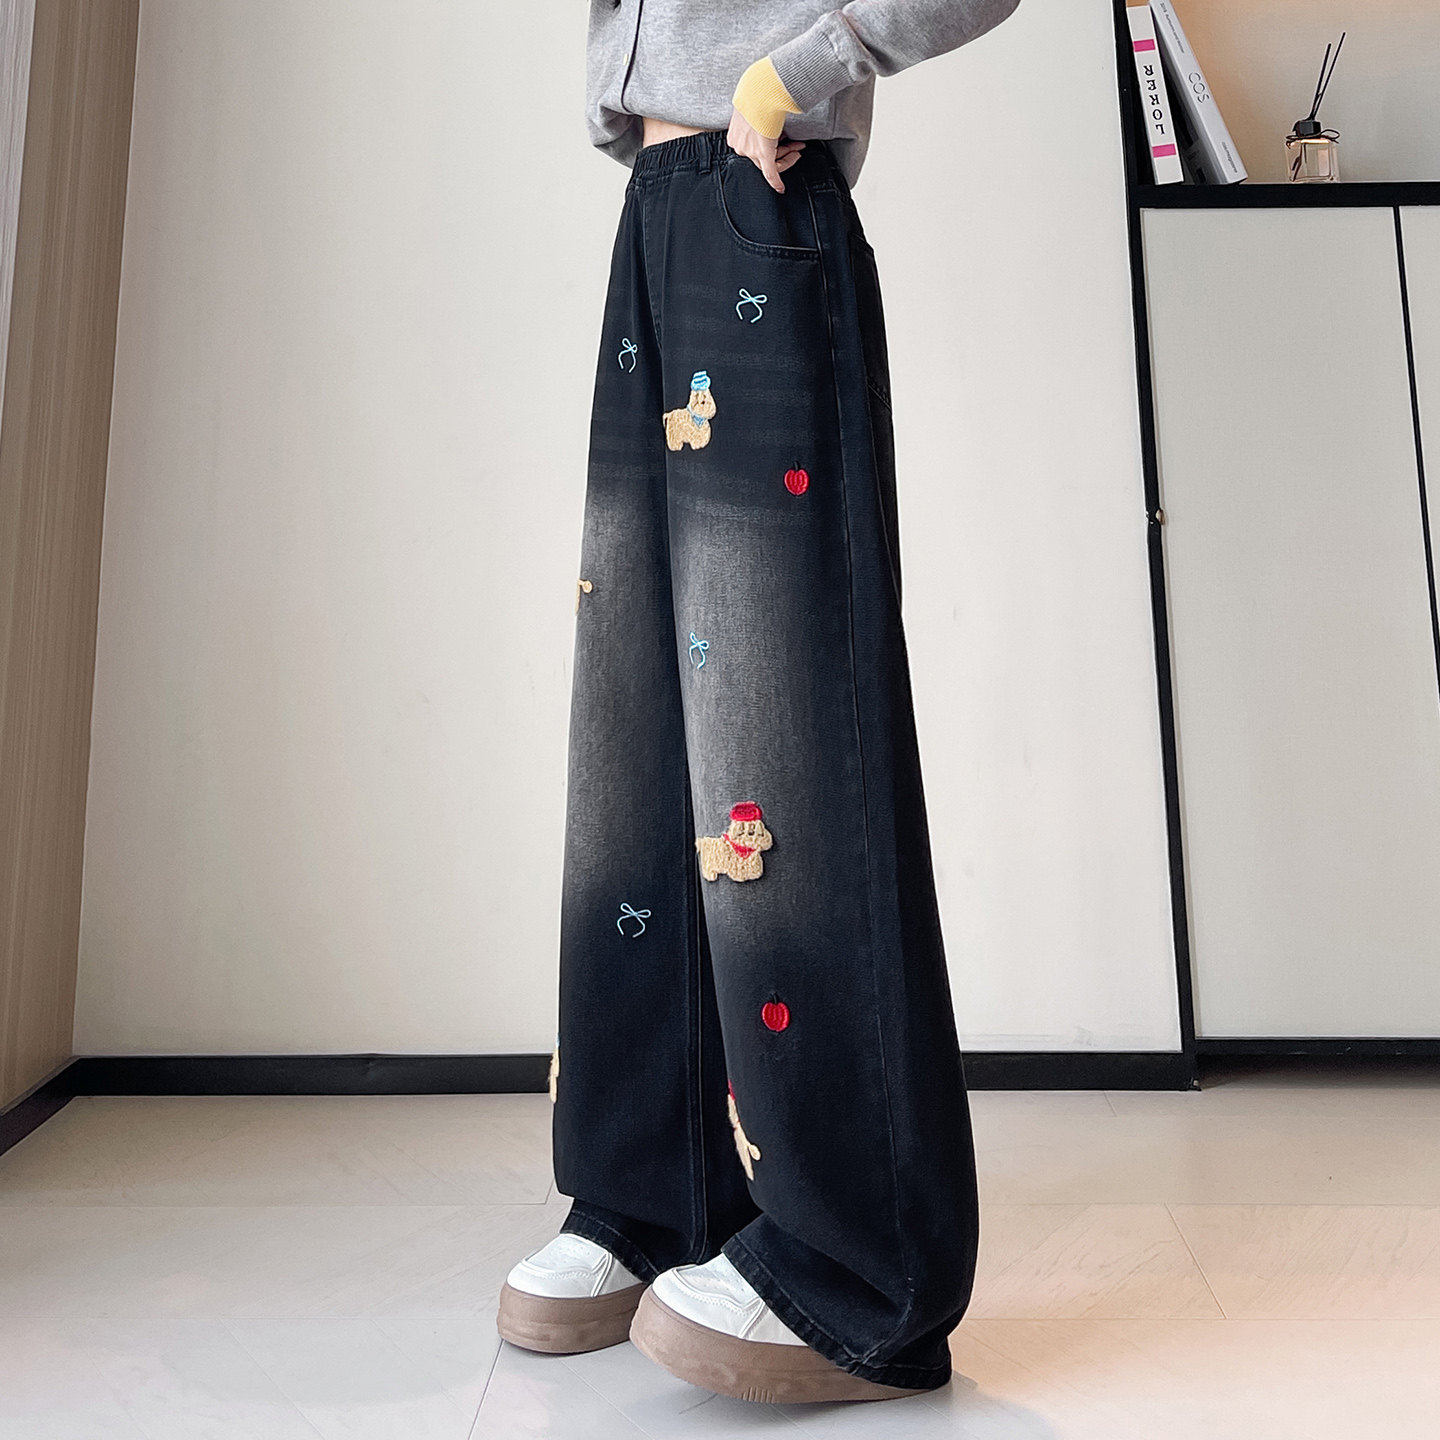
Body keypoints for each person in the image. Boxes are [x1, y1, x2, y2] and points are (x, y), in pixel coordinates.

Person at [499, 0, 1022, 1405]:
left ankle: (866, 1264)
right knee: (640, 743)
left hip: (762, 196)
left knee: (784, 748)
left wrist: (797, 74)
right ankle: (656, 1189)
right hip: (660, 207)